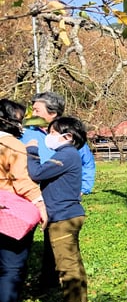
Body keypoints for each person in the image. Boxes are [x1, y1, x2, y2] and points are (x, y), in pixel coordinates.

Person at [21, 91, 95, 291]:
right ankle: (19, 279)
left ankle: (49, 282)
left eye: (37, 110)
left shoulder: (68, 135)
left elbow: (87, 164)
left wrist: (82, 188)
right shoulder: (27, 132)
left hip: (57, 199)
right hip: (28, 195)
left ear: (52, 113)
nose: (32, 113)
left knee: (54, 242)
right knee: (22, 239)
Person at [26, 116, 91, 302]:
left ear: (68, 136)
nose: (48, 136)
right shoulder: (67, 154)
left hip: (63, 217)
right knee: (74, 264)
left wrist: (32, 150)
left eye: (53, 132)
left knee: (67, 266)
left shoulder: (66, 154)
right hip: (68, 215)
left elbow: (36, 173)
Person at [0, 99, 48, 302]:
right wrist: (40, 203)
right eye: (20, 118)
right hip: (8, 213)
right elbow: (22, 180)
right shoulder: (10, 144)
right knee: (11, 267)